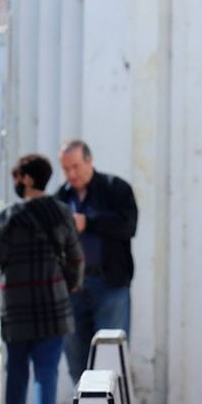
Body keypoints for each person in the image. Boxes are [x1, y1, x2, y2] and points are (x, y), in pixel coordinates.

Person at [0, 154, 83, 404]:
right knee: (47, 365)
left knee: (16, 365)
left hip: (16, 301)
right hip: (53, 298)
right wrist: (69, 284)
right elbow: (75, 256)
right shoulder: (61, 212)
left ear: (27, 179)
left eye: (17, 177)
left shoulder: (7, 218)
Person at [53, 139, 138, 382]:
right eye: (66, 169)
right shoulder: (60, 197)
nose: (71, 174)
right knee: (75, 357)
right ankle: (82, 403)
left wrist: (88, 223)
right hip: (72, 288)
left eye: (76, 167)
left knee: (111, 357)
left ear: (89, 161)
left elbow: (128, 226)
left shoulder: (115, 188)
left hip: (109, 285)